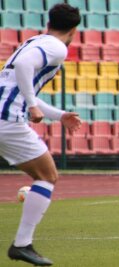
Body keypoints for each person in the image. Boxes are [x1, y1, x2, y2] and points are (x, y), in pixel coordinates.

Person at [0, 3, 81, 266]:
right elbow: (24, 68)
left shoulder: (34, 41)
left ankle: (22, 244)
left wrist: (58, 115)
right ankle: (22, 244)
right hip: (6, 119)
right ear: (74, 30)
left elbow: (24, 87)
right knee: (47, 175)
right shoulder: (58, 47)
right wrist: (33, 106)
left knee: (45, 175)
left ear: (48, 23)